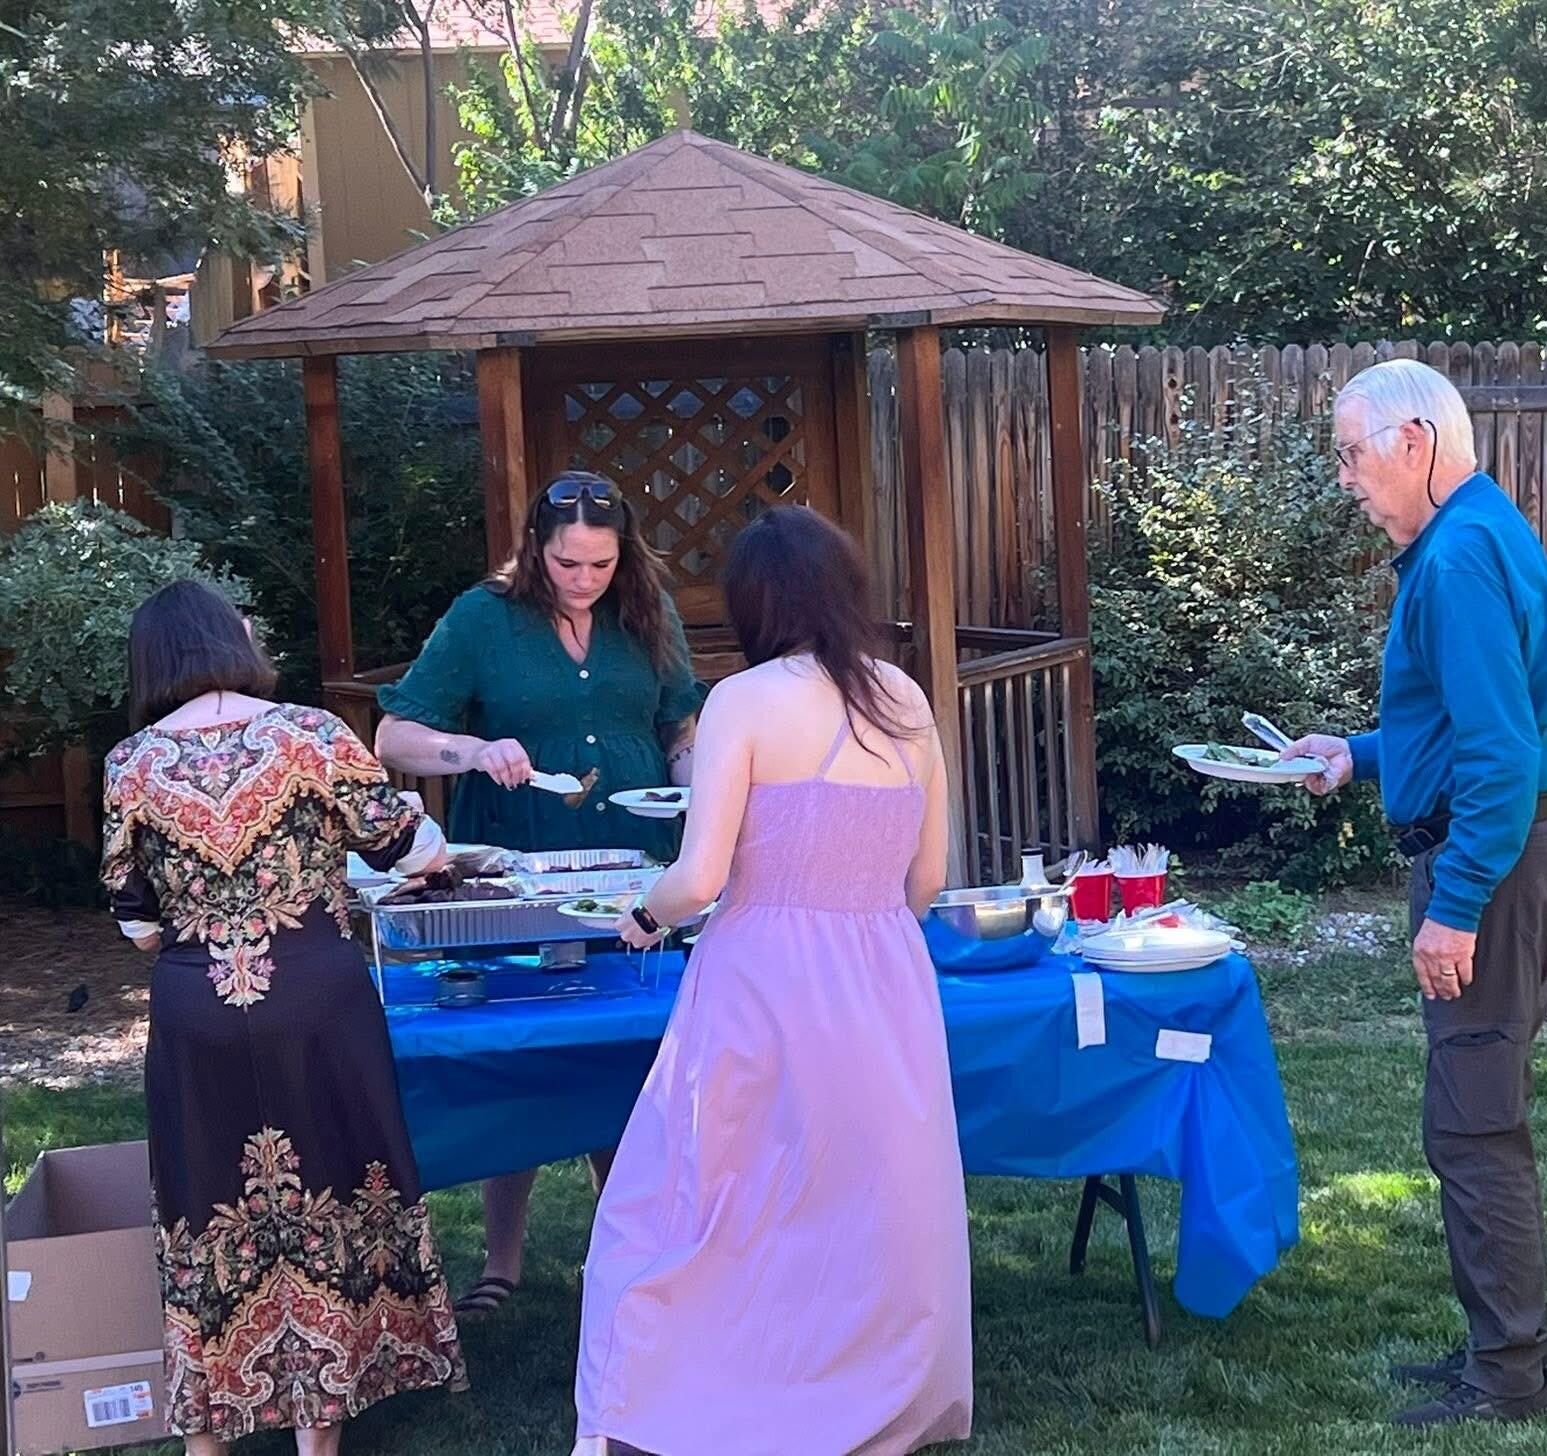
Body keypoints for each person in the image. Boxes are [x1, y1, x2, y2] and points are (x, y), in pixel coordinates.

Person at [571, 505, 971, 1456]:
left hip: (764, 975)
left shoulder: (743, 701)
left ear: (754, 602)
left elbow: (699, 877)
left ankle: (713, 1390)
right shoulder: (905, 700)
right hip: (883, 974)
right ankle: (869, 1388)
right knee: (862, 1197)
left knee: (707, 1196)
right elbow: (927, 881)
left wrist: (640, 915)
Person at [1285, 359, 1547, 1428]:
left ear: (1411, 441)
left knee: (1473, 1126)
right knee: (1473, 1115)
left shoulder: (1456, 555)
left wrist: (1453, 904)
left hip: (1493, 861)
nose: (1345, 479)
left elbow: (1502, 755)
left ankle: (1508, 1378)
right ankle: (1504, 1356)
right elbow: (1466, 725)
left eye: (1350, 454)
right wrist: (1357, 756)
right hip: (1509, 847)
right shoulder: (1475, 533)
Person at [100, 580, 466, 1454]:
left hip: (198, 1002)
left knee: (207, 1203)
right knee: (337, 1189)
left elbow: (138, 923)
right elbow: (412, 848)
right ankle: (318, 1431)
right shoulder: (310, 732)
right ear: (234, 640)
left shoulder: (131, 763)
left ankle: (209, 1434)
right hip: (315, 992)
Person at [374, 470, 706, 1315]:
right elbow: (396, 733)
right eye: (568, 563)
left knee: (623, 1048)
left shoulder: (647, 609)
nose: (585, 579)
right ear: (535, 548)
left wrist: (697, 790)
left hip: (635, 861)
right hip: (519, 865)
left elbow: (679, 726)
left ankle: (626, 1253)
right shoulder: (485, 617)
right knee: (517, 1049)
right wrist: (473, 752)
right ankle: (502, 1262)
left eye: (600, 563)